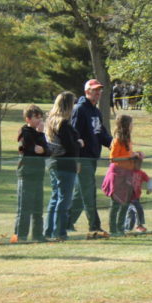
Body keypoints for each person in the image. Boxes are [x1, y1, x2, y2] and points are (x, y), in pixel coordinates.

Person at [68, 79, 113, 239]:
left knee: (80, 194)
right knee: (89, 192)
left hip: (93, 157)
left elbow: (101, 134)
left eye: (99, 90)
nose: (98, 93)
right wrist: (76, 159)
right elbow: (73, 135)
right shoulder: (80, 109)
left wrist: (113, 143)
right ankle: (95, 226)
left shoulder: (96, 111)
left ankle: (66, 222)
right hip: (83, 158)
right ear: (87, 91)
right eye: (95, 90)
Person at [43, 92, 82, 241]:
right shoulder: (63, 123)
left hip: (53, 162)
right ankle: (60, 232)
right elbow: (69, 146)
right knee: (64, 198)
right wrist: (78, 143)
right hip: (65, 163)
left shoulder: (50, 121)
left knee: (55, 197)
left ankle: (49, 230)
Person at [102, 114, 144, 235]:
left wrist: (136, 154)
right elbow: (113, 158)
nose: (132, 126)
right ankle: (113, 229)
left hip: (126, 175)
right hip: (117, 176)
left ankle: (120, 228)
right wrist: (130, 156)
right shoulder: (117, 140)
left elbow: (128, 154)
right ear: (126, 125)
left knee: (125, 203)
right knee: (116, 204)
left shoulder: (128, 140)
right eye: (131, 123)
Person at [11, 105, 47, 243]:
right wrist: (38, 146)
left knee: (38, 207)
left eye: (40, 117)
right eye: (36, 117)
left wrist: (41, 135)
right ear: (28, 119)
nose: (39, 120)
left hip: (38, 173)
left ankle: (38, 235)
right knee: (24, 207)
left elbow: (45, 150)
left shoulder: (39, 133)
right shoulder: (24, 131)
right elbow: (31, 149)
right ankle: (20, 236)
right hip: (26, 173)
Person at [125, 169, 152, 233]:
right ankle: (138, 226)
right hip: (127, 197)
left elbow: (149, 180)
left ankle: (128, 228)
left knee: (131, 212)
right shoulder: (126, 171)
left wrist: (150, 188)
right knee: (137, 209)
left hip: (136, 197)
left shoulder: (141, 172)